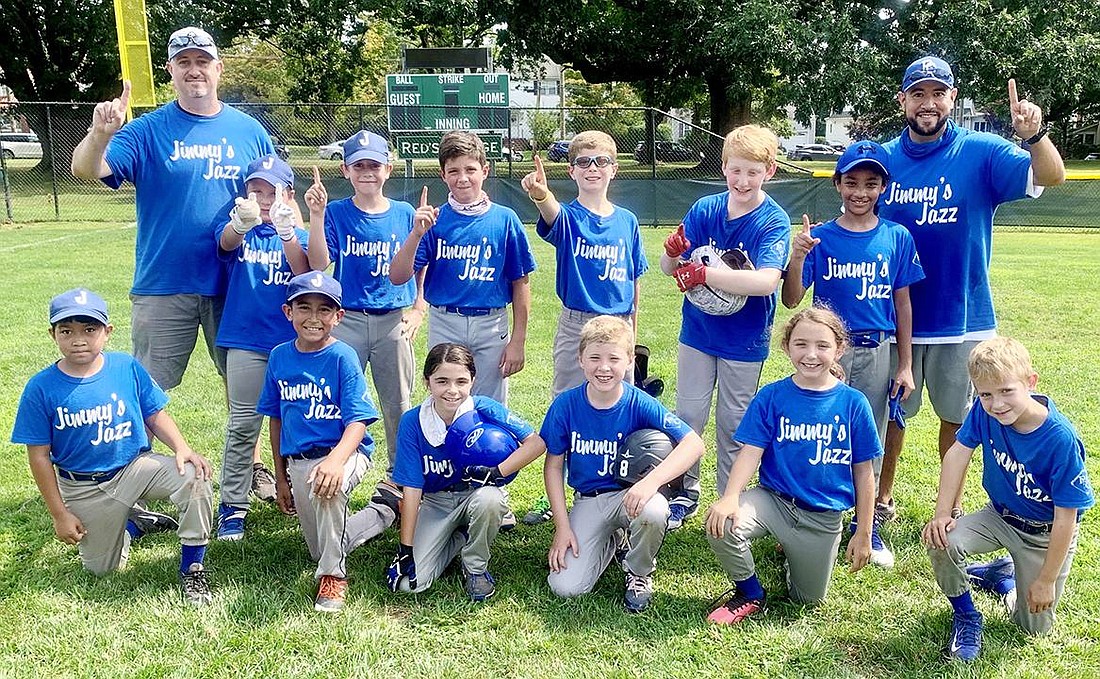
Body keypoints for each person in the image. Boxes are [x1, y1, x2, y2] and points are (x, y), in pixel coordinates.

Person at [876, 56, 1066, 520]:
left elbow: (1052, 175)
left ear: (952, 99)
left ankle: (952, 507)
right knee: (888, 417)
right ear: (903, 100)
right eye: (918, 93)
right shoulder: (881, 156)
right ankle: (880, 500)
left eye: (938, 93)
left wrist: (1035, 136)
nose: (928, 103)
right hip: (892, 314)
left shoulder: (981, 151)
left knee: (958, 419)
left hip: (962, 316)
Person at [70, 27, 275, 392]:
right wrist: (101, 134)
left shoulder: (250, 131)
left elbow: (277, 196)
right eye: (184, 62)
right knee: (147, 387)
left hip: (237, 280)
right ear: (170, 69)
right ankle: (139, 452)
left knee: (244, 384)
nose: (194, 70)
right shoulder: (146, 130)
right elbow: (86, 169)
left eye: (202, 61)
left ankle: (249, 454)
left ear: (218, 69)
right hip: (164, 280)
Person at [11, 289, 215, 606]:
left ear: (107, 332)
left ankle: (192, 566)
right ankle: (134, 524)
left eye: (89, 329)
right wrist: (59, 514)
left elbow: (154, 412)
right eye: (67, 331)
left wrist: (182, 447)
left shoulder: (125, 367)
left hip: (135, 468)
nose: (79, 339)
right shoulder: (41, 387)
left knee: (194, 475)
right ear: (53, 334)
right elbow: (38, 456)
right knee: (102, 571)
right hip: (84, 486)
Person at [781, 140, 925, 565]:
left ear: (884, 187)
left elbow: (902, 304)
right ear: (838, 184)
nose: (860, 192)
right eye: (851, 182)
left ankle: (867, 525)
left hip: (878, 349)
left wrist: (905, 363)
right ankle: (807, 516)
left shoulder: (896, 236)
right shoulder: (821, 237)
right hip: (829, 354)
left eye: (871, 183)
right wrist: (797, 256)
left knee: (870, 438)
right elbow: (792, 300)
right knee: (823, 435)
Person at [704, 307, 880, 624]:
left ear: (839, 349)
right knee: (722, 525)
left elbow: (864, 473)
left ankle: (793, 554)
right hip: (774, 501)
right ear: (787, 347)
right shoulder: (772, 396)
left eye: (822, 346)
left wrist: (864, 531)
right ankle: (750, 592)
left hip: (822, 516)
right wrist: (731, 496)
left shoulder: (854, 403)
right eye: (801, 344)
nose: (811, 354)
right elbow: (750, 451)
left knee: (807, 600)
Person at [922, 337, 1092, 662]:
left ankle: (1004, 580)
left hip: (1044, 533)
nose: (996, 404)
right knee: (941, 539)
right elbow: (958, 453)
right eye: (985, 394)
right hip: (999, 516)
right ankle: (967, 616)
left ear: (1030, 382)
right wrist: (942, 513)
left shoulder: (1060, 439)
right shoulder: (985, 414)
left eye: (1006, 391)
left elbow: (1066, 518)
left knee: (1033, 628)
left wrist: (1046, 580)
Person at [660, 124, 791, 529]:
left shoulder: (773, 219)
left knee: (735, 423)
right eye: (736, 171)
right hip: (698, 334)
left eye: (753, 172)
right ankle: (685, 491)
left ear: (769, 171)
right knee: (689, 415)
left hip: (745, 340)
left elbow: (766, 281)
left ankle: (727, 499)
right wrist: (672, 255)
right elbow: (672, 270)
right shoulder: (705, 209)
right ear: (724, 168)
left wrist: (705, 275)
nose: (743, 180)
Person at [519, 130, 648, 526]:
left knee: (615, 409)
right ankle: (561, 492)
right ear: (571, 171)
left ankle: (612, 488)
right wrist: (541, 195)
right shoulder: (570, 217)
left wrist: (633, 337)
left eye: (601, 162)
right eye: (584, 162)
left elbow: (634, 280)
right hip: (578, 322)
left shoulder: (627, 221)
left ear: (615, 169)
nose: (593, 169)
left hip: (618, 324)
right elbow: (553, 215)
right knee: (567, 407)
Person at [255, 271, 399, 613]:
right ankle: (383, 511)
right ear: (288, 312)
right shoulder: (279, 357)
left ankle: (333, 578)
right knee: (322, 546)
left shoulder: (342, 356)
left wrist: (335, 461)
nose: (314, 318)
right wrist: (281, 477)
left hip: (345, 451)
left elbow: (358, 422)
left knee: (327, 488)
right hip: (299, 461)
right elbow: (276, 420)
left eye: (325, 310)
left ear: (339, 316)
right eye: (304, 308)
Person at [540, 316, 704, 613]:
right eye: (595, 358)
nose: (604, 367)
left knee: (654, 509)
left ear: (629, 360)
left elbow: (694, 444)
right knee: (565, 587)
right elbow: (553, 467)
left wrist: (650, 483)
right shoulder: (566, 405)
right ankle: (611, 541)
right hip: (589, 499)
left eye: (614, 358)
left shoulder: (638, 401)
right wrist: (562, 527)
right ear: (580, 359)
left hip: (630, 494)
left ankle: (639, 572)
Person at [306, 130, 426, 485]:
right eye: (359, 166)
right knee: (338, 398)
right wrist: (315, 215)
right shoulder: (338, 213)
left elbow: (420, 264)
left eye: (374, 165)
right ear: (345, 170)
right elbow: (318, 263)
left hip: (393, 318)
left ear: (388, 169)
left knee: (398, 403)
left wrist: (419, 307)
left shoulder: (404, 213)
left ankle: (399, 476)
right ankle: (337, 467)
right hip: (349, 319)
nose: (367, 173)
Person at [385, 343, 546, 601]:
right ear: (427, 382)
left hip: (475, 495)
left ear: (473, 380)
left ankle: (475, 567)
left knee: (491, 499)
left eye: (461, 381)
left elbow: (537, 442)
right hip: (437, 502)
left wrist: (496, 472)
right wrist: (406, 548)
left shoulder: (483, 408)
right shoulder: (414, 421)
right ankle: (459, 537)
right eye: (442, 381)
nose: (452, 390)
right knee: (411, 584)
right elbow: (413, 488)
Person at [389, 130, 537, 406]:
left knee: (490, 407)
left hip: (491, 323)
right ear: (443, 174)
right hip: (446, 321)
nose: (463, 178)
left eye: (470, 169)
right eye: (453, 170)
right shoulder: (435, 220)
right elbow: (398, 277)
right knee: (445, 399)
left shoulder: (505, 219)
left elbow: (521, 282)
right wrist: (416, 235)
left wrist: (518, 340)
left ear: (485, 170)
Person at [213, 154, 310, 540]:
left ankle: (296, 490)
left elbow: (306, 272)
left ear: (288, 194)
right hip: (246, 340)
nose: (265, 199)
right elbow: (224, 242)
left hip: (291, 343)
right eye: (257, 190)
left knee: (298, 421)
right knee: (243, 424)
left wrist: (287, 233)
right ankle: (233, 505)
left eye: (273, 192)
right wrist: (241, 223)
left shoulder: (294, 233)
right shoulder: (242, 228)